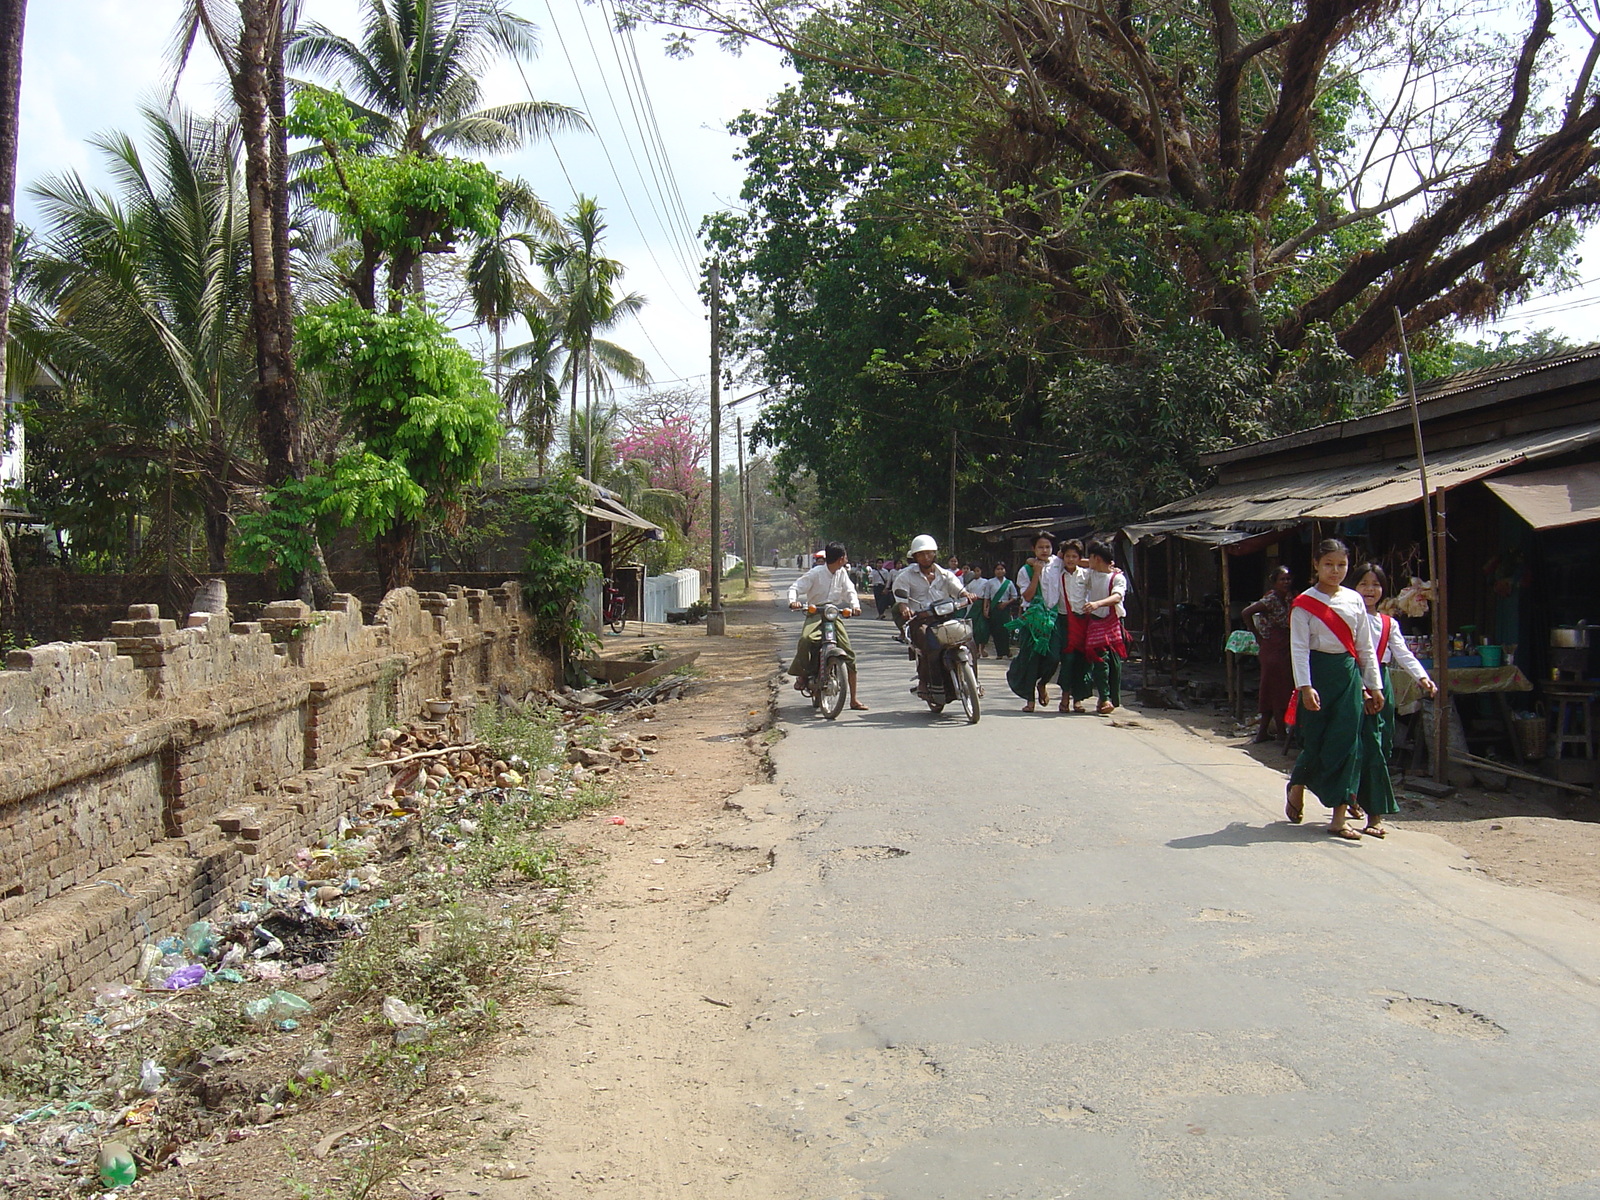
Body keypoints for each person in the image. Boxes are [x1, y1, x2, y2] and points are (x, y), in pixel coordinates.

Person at [1284, 538, 1384, 839]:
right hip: (1317, 675)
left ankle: (1339, 817)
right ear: (1316, 565)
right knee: (1316, 742)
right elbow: (1298, 649)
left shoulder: (1354, 599)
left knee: (1347, 742)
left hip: (1348, 676)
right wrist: (1305, 686)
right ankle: (1297, 785)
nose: (1335, 571)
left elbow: (1365, 646)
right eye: (1329, 564)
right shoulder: (1304, 603)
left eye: (1341, 565)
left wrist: (1374, 685)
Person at [1351, 562, 1436, 838]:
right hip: (1353, 683)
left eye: (1375, 584)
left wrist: (1422, 678)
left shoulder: (1388, 623)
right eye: (1363, 583)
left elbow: (1403, 654)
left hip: (1382, 686)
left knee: (1379, 746)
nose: (1369, 590)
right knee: (1356, 745)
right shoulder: (1347, 618)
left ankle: (1363, 802)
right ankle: (1366, 808)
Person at [787, 542, 868, 711]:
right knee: (806, 639)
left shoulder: (842, 573)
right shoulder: (815, 573)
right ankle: (803, 673)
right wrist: (793, 601)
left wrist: (855, 605)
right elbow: (796, 587)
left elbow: (850, 591)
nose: (846, 559)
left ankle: (853, 699)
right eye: (845, 557)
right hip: (815, 612)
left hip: (833, 613)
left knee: (849, 652)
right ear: (840, 559)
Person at [892, 535, 974, 697]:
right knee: (928, 643)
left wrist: (967, 594)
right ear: (915, 556)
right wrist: (905, 608)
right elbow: (901, 600)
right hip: (920, 620)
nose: (926, 557)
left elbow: (958, 589)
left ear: (935, 554)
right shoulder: (905, 576)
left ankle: (974, 684)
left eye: (929, 553)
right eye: (921, 554)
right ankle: (926, 681)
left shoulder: (945, 574)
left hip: (945, 617)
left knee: (969, 640)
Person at [1007, 532, 1063, 712]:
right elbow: (1028, 595)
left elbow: (1076, 561)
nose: (1044, 550)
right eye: (1040, 547)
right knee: (1031, 660)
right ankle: (1029, 700)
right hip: (1032, 620)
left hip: (1052, 619)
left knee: (1054, 657)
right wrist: (1036, 573)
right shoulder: (1026, 570)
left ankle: (1043, 683)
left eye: (1047, 547)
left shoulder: (1058, 564)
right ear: (1033, 549)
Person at [1241, 565, 1295, 744]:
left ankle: (1264, 731)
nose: (1286, 582)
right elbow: (1246, 612)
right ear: (1274, 582)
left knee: (1277, 688)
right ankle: (1279, 733)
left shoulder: (1288, 598)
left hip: (1285, 646)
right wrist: (1258, 636)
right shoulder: (1270, 600)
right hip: (1273, 647)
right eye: (1282, 579)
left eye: (1288, 579)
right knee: (1276, 688)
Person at [1082, 541, 1128, 714]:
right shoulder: (1090, 574)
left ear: (1097, 558)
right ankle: (1105, 698)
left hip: (1114, 622)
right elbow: (1074, 561)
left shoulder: (1117, 577)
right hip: (1095, 622)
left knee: (1115, 664)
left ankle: (1108, 699)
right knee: (1100, 662)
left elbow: (1117, 597)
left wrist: (1097, 604)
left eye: (1091, 556)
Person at [1056, 539, 1091, 713]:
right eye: (1067, 556)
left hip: (1083, 621)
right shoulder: (1057, 574)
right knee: (1067, 660)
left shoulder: (1086, 575)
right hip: (1064, 621)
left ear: (1079, 558)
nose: (1070, 560)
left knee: (1082, 660)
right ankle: (1064, 696)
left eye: (1074, 556)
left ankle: (1078, 699)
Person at [985, 562, 1019, 659]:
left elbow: (1014, 596)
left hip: (1005, 608)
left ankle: (1007, 651)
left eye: (1001, 569)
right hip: (994, 608)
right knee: (996, 630)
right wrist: (986, 609)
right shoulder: (990, 582)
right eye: (997, 569)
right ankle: (999, 653)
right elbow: (987, 597)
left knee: (1005, 630)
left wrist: (1006, 603)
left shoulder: (1009, 583)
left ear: (1005, 570)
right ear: (994, 571)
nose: (1000, 571)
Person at [967, 567, 995, 657]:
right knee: (973, 628)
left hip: (981, 603)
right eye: (974, 571)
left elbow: (987, 595)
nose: (976, 573)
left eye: (978, 571)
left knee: (983, 629)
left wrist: (986, 608)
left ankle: (982, 649)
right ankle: (975, 650)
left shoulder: (985, 582)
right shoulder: (968, 582)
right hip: (972, 605)